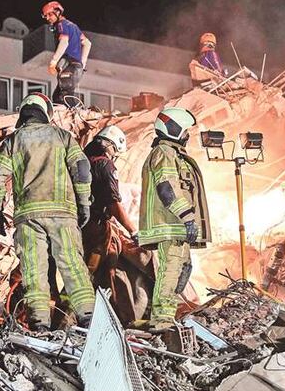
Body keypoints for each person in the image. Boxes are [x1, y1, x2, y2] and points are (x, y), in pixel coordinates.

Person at [0, 93, 95, 330]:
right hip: (62, 214)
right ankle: (88, 318)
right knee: (72, 265)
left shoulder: (13, 141)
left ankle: (39, 324)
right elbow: (82, 168)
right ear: (46, 112)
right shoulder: (62, 137)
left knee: (34, 270)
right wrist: (84, 203)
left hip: (28, 217)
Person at [138, 107, 211, 330]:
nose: (187, 135)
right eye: (185, 130)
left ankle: (164, 312)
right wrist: (187, 217)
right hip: (170, 224)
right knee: (171, 270)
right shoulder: (164, 153)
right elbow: (167, 187)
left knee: (184, 268)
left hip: (176, 224)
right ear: (174, 129)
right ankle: (161, 321)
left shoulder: (173, 153)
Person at [81, 126, 136, 292]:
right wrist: (133, 231)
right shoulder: (105, 165)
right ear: (111, 146)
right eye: (115, 152)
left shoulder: (81, 161)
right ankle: (71, 316)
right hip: (94, 229)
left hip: (74, 223)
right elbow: (113, 203)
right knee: (91, 272)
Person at [41, 1, 91, 107]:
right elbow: (87, 43)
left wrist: (53, 62)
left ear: (58, 12)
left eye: (50, 14)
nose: (47, 18)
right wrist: (82, 65)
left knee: (65, 96)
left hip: (69, 66)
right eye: (45, 16)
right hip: (75, 68)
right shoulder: (73, 26)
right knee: (57, 98)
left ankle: (76, 118)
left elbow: (64, 41)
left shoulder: (61, 25)